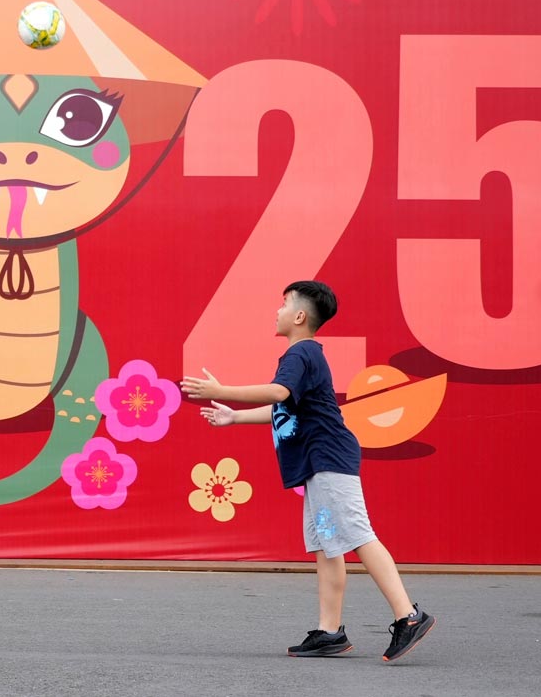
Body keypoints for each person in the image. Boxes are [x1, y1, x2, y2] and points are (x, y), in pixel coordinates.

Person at [181, 281, 435, 662]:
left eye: (283, 305)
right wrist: (234, 417)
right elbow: (285, 408)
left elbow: (278, 394)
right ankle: (330, 632)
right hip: (318, 466)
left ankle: (408, 616)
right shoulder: (304, 356)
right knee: (327, 544)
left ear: (299, 316)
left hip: (329, 460)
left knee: (359, 535)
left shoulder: (299, 354)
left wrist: (223, 388)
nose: (277, 311)